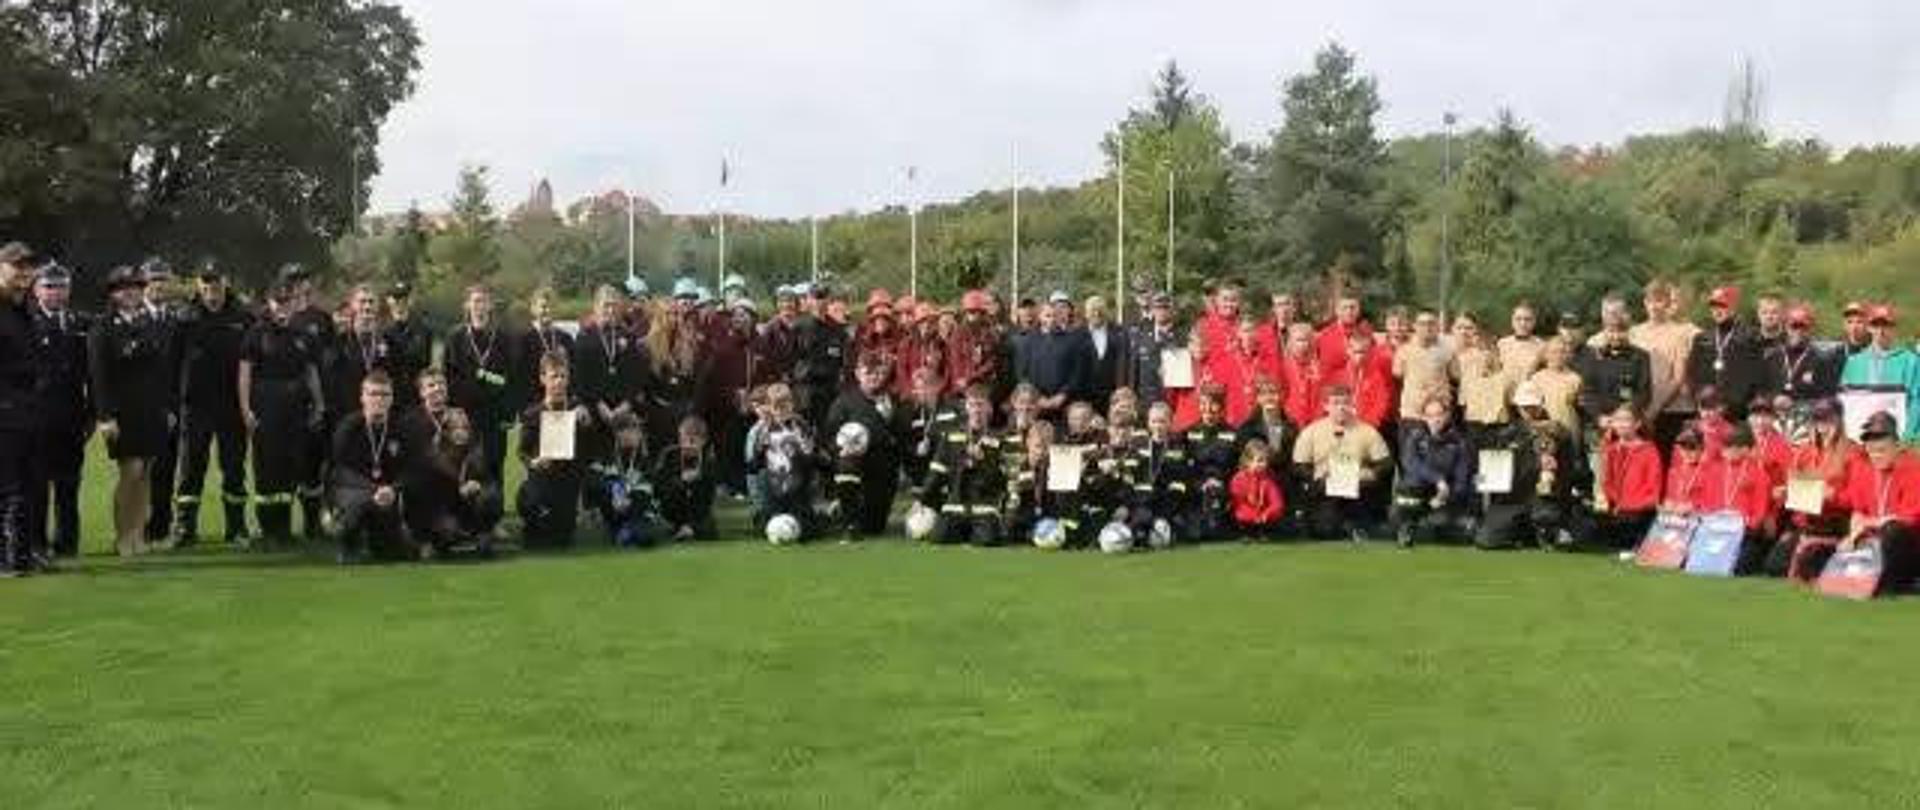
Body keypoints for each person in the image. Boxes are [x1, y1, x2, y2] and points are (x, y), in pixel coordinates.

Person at [89, 267, 174, 557]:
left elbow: (162, 370)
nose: (131, 292)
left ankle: (138, 534)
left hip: (151, 408)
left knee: (147, 471)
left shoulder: (150, 322)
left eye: (136, 287)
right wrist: (104, 416)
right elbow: (99, 376)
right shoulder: (103, 326)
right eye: (124, 287)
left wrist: (167, 407)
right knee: (131, 471)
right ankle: (123, 537)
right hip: (121, 411)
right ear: (113, 293)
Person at [240, 286, 326, 547]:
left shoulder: (303, 335)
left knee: (292, 465)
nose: (283, 307)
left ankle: (285, 529)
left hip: (296, 408)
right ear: (270, 303)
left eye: (287, 302)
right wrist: (245, 408)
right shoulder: (257, 333)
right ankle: (268, 528)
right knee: (267, 466)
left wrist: (319, 403)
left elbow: (311, 371)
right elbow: (244, 374)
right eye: (278, 302)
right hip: (266, 406)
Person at [172, 266, 252, 546]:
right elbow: (172, 363)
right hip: (195, 405)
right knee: (191, 467)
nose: (211, 294)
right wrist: (174, 402)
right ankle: (185, 528)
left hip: (231, 405)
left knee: (234, 467)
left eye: (216, 287)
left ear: (225, 284)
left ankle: (236, 527)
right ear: (198, 286)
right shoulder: (184, 317)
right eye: (206, 288)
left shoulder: (243, 317)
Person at [26, 262, 90, 561]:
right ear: (36, 289)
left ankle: (67, 543)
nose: (56, 292)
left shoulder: (81, 323)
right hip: (36, 417)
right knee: (37, 485)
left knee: (69, 484)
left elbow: (91, 374)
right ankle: (36, 543)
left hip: (72, 417)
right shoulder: (26, 322)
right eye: (49, 286)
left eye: (61, 286)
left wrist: (92, 414)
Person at [1476, 383, 1581, 550]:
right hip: (1512, 499)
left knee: (1546, 517)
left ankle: (1548, 532)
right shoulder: (1506, 434)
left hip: (1545, 500)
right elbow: (1494, 475)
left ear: (1541, 404)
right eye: (1525, 407)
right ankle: (1522, 534)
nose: (1530, 411)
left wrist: (1554, 472)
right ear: (1517, 406)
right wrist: (1482, 479)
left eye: (1533, 406)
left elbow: (1570, 470)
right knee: (1486, 539)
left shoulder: (1560, 433)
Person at [329, 372, 416, 564]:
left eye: (385, 394)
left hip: (387, 494)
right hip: (352, 490)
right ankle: (348, 545)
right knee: (356, 507)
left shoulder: (401, 429)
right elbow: (342, 471)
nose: (379, 399)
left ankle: (379, 541)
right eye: (373, 394)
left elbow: (411, 469)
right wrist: (374, 490)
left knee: (399, 553)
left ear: (392, 399)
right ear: (362, 397)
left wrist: (393, 489)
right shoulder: (348, 428)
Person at [1766, 401, 1857, 578]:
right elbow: (1794, 489)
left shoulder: (1852, 452)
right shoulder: (1804, 451)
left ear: (1839, 420)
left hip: (1834, 524)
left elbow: (1858, 498)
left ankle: (1833, 555)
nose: (1822, 424)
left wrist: (1833, 495)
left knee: (1809, 569)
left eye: (1828, 419)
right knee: (1775, 567)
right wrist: (1785, 492)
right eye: (1818, 419)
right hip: (1805, 523)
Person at [1292, 385, 1393, 542]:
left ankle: (1357, 526)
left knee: (1369, 516)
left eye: (1346, 403)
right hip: (1325, 489)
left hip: (1358, 489)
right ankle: (1346, 528)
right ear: (1326, 406)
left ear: (1352, 405)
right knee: (1325, 530)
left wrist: (1372, 473)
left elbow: (1386, 463)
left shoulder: (1367, 431)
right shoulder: (1311, 431)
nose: (1341, 407)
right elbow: (1298, 466)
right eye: (1336, 403)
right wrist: (1315, 474)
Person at [1834, 412, 1920, 594]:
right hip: (1876, 540)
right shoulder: (1863, 470)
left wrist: (1869, 523)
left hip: (1909, 544)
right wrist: (1852, 537)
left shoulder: (1914, 469)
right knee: (1852, 537)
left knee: (1893, 530)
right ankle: (1868, 579)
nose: (1876, 456)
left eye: (1882, 450)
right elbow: (1857, 512)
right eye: (1872, 451)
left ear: (1897, 446)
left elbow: (1908, 519)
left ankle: (1884, 583)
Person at [517, 352, 595, 549]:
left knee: (562, 538)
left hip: (568, 481)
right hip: (542, 479)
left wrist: (587, 424)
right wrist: (533, 462)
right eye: (554, 376)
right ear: (542, 378)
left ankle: (563, 518)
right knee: (530, 506)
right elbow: (522, 451)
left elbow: (589, 449)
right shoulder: (532, 413)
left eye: (563, 376)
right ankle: (532, 523)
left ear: (568, 378)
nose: (559, 382)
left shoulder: (578, 408)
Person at [823, 355, 905, 540]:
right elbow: (829, 437)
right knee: (847, 464)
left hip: (882, 466)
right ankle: (848, 518)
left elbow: (901, 437)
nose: (874, 377)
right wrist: (841, 449)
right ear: (858, 374)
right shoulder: (843, 402)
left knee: (873, 527)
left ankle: (842, 509)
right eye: (868, 373)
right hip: (854, 463)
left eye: (878, 373)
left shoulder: (892, 401)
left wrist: (890, 418)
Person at [404, 405, 502, 558]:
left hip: (465, 507)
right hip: (439, 510)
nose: (461, 432)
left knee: (490, 496)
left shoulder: (476, 452)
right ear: (445, 430)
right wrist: (458, 489)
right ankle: (426, 540)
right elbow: (422, 498)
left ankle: (483, 532)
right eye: (455, 428)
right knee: (448, 532)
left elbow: (489, 481)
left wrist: (478, 485)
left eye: (465, 428)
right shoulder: (432, 456)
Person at [573, 285, 651, 465]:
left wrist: (627, 404)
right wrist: (599, 405)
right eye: (606, 305)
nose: (610, 310)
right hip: (595, 408)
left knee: (625, 462)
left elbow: (636, 376)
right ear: (596, 307)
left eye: (614, 305)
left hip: (623, 409)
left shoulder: (629, 337)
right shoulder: (584, 337)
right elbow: (581, 377)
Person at [921, 384, 1007, 545]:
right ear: (966, 407)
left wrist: (986, 462)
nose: (976, 410)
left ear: (989, 408)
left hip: (984, 509)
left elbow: (1002, 482)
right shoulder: (950, 437)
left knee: (987, 541)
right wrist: (925, 502)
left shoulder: (999, 440)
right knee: (939, 537)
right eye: (972, 404)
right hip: (955, 506)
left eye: (980, 405)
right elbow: (935, 475)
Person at [445, 285, 515, 476]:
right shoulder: (455, 337)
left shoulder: (504, 338)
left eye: (484, 301)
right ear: (467, 305)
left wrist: (508, 414)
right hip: (465, 414)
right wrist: (452, 411)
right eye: (476, 301)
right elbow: (448, 376)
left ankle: (495, 495)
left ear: (491, 306)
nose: (480, 306)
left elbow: (510, 379)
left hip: (495, 414)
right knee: (462, 466)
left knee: (495, 467)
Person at [0, 244, 40, 574]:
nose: (24, 272)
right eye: (17, 266)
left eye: (28, 267)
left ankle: (22, 553)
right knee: (7, 487)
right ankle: (6, 557)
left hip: (26, 409)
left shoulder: (24, 308)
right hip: (4, 408)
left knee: (27, 484)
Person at [1392, 395, 1477, 547]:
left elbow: (1462, 478)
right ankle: (1409, 525)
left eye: (1439, 414)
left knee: (1441, 523)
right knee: (1398, 509)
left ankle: (1424, 525)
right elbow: (1411, 464)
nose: (1435, 420)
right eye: (1430, 416)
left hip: (1446, 495)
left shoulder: (1459, 441)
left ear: (1447, 415)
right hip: (1419, 492)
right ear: (1424, 417)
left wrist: (1445, 496)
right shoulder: (1415, 437)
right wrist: (1438, 479)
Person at [1630, 280, 1700, 453]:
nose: (1654, 306)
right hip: (1640, 412)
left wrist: (1654, 409)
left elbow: (1678, 377)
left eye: (1659, 301)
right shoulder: (1634, 333)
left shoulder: (1680, 333)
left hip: (1673, 410)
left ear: (1668, 303)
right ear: (1644, 303)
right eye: (1650, 301)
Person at [1702, 425, 1776, 574]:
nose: (1726, 451)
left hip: (1744, 531)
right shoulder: (1715, 470)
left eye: (1731, 447)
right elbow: (1707, 502)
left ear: (1745, 449)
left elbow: (1760, 510)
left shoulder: (1759, 475)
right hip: (1717, 528)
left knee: (1738, 567)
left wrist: (1745, 524)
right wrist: (1712, 521)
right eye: (1725, 446)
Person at [1839, 305, 1920, 441]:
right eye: (1875, 325)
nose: (1881, 331)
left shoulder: (1911, 361)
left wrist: (1908, 435)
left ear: (1894, 328)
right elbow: (1844, 401)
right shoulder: (1854, 362)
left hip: (1897, 438)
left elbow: (1917, 400)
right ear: (1869, 328)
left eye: (1886, 326)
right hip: (1860, 437)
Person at [747, 383, 818, 537]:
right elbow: (753, 466)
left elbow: (812, 459)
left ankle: (810, 517)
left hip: (797, 484)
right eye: (776, 407)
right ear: (770, 407)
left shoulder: (801, 426)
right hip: (773, 485)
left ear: (792, 405)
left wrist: (803, 448)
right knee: (767, 527)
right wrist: (761, 448)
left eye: (785, 406)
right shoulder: (762, 429)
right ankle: (764, 514)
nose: (781, 411)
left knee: (807, 529)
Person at [1577, 298, 1652, 437]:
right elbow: (1587, 392)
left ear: (1628, 332)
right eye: (1611, 331)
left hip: (1630, 425)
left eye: (1621, 332)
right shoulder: (1593, 357)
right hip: (1601, 424)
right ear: (1604, 332)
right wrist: (1599, 417)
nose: (1616, 337)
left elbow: (1644, 393)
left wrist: (1626, 416)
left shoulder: (1641, 357)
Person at [1687, 286, 1763, 419]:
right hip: (1707, 411)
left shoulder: (1750, 337)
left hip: (1738, 413)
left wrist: (1731, 405)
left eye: (1722, 306)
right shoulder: (1701, 338)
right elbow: (1692, 375)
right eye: (1713, 306)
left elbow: (1755, 377)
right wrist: (1701, 401)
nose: (1717, 310)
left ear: (1733, 308)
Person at [1594, 405, 1664, 550]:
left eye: (1626, 420)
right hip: (1617, 508)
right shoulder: (1611, 449)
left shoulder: (1649, 450)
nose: (1621, 424)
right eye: (1617, 420)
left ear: (1637, 424)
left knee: (1628, 531)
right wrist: (1612, 500)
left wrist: (1633, 505)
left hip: (1639, 511)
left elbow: (1654, 487)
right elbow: (1606, 480)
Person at [1122, 401, 1191, 545]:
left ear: (1170, 423)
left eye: (1162, 421)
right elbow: (1128, 476)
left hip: (1165, 503)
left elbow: (1180, 482)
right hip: (1139, 502)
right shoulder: (1137, 445)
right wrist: (1130, 501)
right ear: (1148, 423)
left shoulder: (1178, 448)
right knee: (1139, 525)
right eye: (1154, 421)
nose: (1158, 426)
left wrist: (1168, 508)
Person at [1015, 297, 1091, 424]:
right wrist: (1038, 397)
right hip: (1036, 403)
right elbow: (1022, 374)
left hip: (1064, 402)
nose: (1051, 319)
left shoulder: (1072, 341)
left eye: (1055, 316)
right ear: (1040, 317)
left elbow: (1077, 372)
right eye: (1047, 316)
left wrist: (1063, 395)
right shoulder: (1028, 341)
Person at [1761, 304, 1842, 415]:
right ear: (1786, 327)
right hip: (1774, 417)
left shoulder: (1822, 360)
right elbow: (1761, 391)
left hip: (1807, 418)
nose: (1798, 331)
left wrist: (1797, 404)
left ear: (1811, 328)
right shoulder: (1772, 357)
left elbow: (1828, 398)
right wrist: (1773, 399)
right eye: (1794, 325)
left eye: (1803, 326)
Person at [1184, 385, 1240, 541]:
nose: (1207, 409)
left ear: (1221, 407)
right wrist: (1200, 484)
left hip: (1224, 489)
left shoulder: (1233, 434)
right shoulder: (1188, 433)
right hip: (1196, 489)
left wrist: (1222, 483)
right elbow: (1183, 468)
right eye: (1203, 404)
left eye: (1213, 404)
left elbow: (1238, 468)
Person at [654, 415, 718, 543]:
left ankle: (688, 529)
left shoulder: (708, 460)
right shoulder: (668, 456)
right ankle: (682, 529)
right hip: (671, 509)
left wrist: (698, 480)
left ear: (703, 441)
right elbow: (659, 489)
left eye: (693, 441)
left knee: (710, 527)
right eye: (683, 440)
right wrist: (681, 482)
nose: (687, 445)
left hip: (697, 511)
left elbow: (707, 498)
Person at [382, 283, 432, 411]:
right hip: (389, 395)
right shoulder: (381, 331)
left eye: (404, 298)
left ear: (410, 300)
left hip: (416, 395)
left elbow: (425, 364)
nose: (400, 302)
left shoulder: (423, 330)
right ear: (388, 300)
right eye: (395, 298)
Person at [1126, 292, 1181, 405]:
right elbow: (1134, 369)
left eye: (1166, 307)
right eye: (1158, 307)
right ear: (1152, 310)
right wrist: (1132, 394)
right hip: (1145, 399)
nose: (1162, 311)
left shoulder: (1182, 337)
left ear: (1172, 310)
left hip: (1172, 399)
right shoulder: (1140, 334)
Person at [1230, 439, 1285, 540]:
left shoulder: (1268, 480)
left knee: (1277, 513)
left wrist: (1266, 514)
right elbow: (1238, 502)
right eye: (1259, 460)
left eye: (1265, 460)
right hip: (1245, 516)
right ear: (1247, 461)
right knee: (1241, 516)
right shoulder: (1239, 479)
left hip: (1262, 516)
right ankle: (1245, 533)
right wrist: (1254, 516)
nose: (1263, 464)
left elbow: (1277, 502)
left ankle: (1261, 532)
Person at [1081, 295, 1128, 413]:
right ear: (1086, 314)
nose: (1097, 314)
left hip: (1113, 394)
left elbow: (1123, 362)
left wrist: (1120, 389)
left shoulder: (1119, 332)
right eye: (1093, 310)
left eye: (1100, 310)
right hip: (1086, 395)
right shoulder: (1077, 334)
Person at [1496, 303, 1546, 384]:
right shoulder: (1502, 344)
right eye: (1518, 319)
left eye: (1527, 319)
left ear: (1534, 322)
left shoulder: (1542, 346)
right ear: (1512, 321)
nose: (1523, 323)